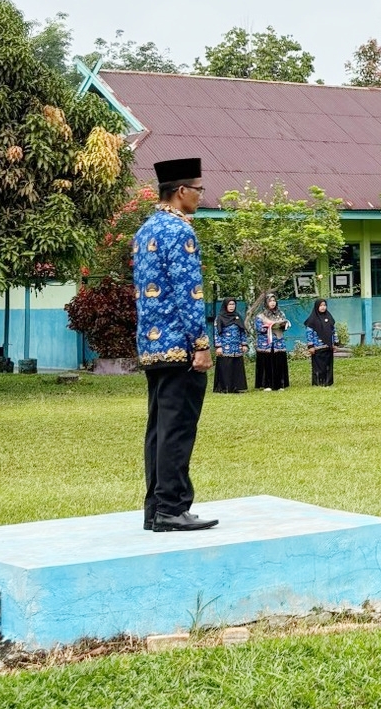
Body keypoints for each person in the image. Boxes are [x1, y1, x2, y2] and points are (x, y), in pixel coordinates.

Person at [132, 157, 216, 532]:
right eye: (198, 190)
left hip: (152, 347)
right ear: (181, 192)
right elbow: (189, 292)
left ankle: (155, 509)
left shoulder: (146, 230)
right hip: (180, 346)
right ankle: (172, 507)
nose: (200, 196)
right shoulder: (180, 231)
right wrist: (201, 342)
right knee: (179, 428)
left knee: (159, 429)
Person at [253, 293, 290, 391]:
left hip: (278, 342)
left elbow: (285, 325)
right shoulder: (260, 315)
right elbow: (258, 328)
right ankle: (267, 384)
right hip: (266, 344)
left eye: (274, 301)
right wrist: (269, 326)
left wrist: (283, 325)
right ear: (266, 303)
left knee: (279, 362)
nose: (272, 303)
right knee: (267, 363)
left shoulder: (280, 314)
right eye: (270, 301)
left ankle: (280, 384)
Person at [212, 298, 248, 394]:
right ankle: (225, 387)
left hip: (237, 347)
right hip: (225, 347)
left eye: (233, 304)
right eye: (230, 304)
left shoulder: (237, 316)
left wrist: (244, 344)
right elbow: (216, 333)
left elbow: (242, 331)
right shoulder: (219, 317)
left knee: (236, 367)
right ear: (225, 305)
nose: (232, 306)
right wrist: (218, 346)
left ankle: (236, 387)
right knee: (226, 367)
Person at [303, 298, 336, 387]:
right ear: (317, 306)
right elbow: (309, 334)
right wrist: (311, 346)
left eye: (324, 305)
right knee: (318, 366)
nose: (323, 307)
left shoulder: (329, 317)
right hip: (317, 348)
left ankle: (328, 382)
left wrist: (335, 343)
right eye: (321, 305)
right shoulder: (312, 320)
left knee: (328, 365)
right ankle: (318, 382)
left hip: (328, 347)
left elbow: (333, 331)